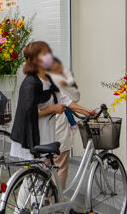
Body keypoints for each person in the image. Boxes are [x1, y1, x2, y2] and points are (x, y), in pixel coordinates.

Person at [10, 41, 96, 189]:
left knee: (37, 178)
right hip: (31, 137)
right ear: (36, 60)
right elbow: (28, 114)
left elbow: (64, 99)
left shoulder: (47, 79)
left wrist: (86, 111)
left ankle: (48, 200)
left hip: (45, 135)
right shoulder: (30, 83)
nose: (49, 56)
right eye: (45, 54)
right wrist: (52, 109)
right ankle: (31, 204)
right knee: (33, 179)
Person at [47, 57, 83, 189]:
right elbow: (74, 98)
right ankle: (57, 199)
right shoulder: (59, 82)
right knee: (60, 166)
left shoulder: (38, 81)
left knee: (44, 166)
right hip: (58, 129)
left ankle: (43, 196)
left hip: (42, 132)